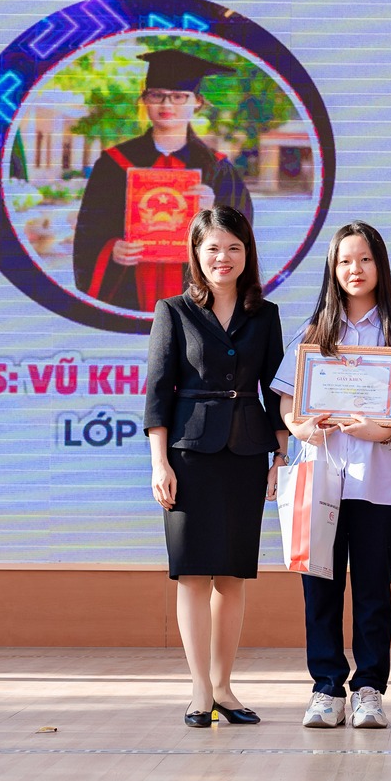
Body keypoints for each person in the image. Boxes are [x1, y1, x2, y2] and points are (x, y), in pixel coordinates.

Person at [270, 222, 391, 730]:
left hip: (378, 484)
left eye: (364, 259)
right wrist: (302, 427)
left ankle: (369, 689)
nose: (355, 269)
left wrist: (383, 430)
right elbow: (286, 402)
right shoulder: (312, 333)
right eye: (345, 261)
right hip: (319, 479)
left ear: (380, 265)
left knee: (372, 593)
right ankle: (326, 688)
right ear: (332, 268)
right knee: (319, 591)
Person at [143, 204, 285, 728]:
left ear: (247, 254)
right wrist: (159, 463)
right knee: (192, 574)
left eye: (233, 248)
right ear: (196, 255)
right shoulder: (173, 310)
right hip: (187, 456)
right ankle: (199, 689)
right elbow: (158, 392)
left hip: (246, 454)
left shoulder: (265, 315)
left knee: (232, 575)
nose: (223, 257)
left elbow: (276, 391)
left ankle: (225, 687)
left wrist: (281, 456)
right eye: (213, 249)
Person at [72, 49, 254, 313]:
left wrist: (215, 213)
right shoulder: (113, 164)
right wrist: (111, 249)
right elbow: (89, 231)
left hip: (197, 293)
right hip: (127, 291)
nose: (166, 105)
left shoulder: (218, 169)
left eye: (179, 96)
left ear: (197, 102)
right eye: (157, 95)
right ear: (144, 99)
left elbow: (243, 237)